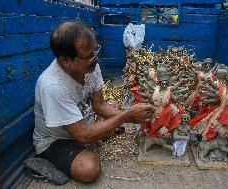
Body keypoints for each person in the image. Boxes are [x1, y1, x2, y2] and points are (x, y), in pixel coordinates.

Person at [32, 21, 155, 183]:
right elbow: (83, 135)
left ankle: (95, 137)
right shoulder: (53, 86)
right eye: (89, 56)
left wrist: (132, 116)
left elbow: (99, 105)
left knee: (113, 107)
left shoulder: (90, 65)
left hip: (83, 124)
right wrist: (126, 116)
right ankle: (49, 160)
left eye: (95, 51)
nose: (95, 58)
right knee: (89, 169)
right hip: (57, 140)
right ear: (66, 60)